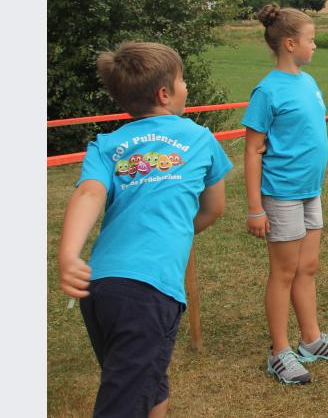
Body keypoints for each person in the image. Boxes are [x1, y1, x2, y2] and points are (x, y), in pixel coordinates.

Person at [57, 41, 232, 417]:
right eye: (182, 80)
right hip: (149, 291)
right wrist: (177, 232)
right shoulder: (200, 138)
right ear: (165, 93)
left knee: (147, 382)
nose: (186, 86)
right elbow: (214, 208)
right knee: (124, 400)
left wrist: (69, 253)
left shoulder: (106, 144)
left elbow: (89, 192)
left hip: (100, 287)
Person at [242, 4, 328, 385]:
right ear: (290, 44)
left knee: (308, 267)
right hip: (282, 194)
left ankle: (311, 340)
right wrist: (255, 208)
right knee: (284, 272)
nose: (315, 45)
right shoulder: (267, 91)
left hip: (310, 192)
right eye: (311, 39)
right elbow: (252, 150)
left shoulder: (308, 82)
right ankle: (279, 351)